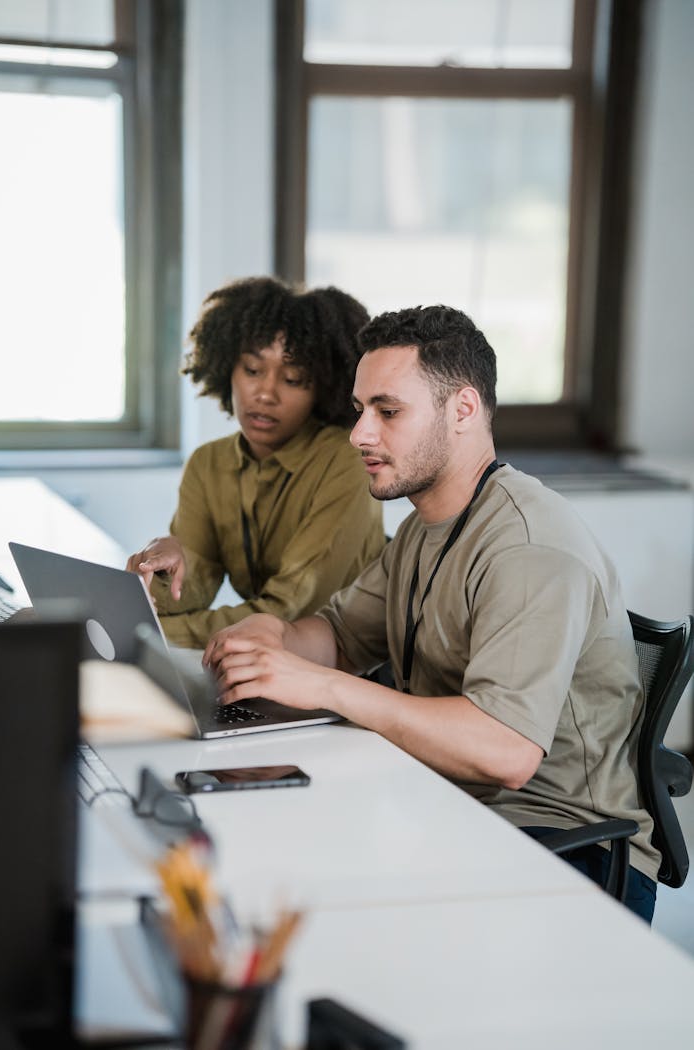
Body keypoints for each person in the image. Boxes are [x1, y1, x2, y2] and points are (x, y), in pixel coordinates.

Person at [202, 303, 660, 923]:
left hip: (563, 849)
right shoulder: (426, 526)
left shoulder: (529, 547)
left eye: (388, 412)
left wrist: (325, 688)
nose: (360, 433)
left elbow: (505, 752)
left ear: (463, 410)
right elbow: (338, 634)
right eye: (361, 411)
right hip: (450, 808)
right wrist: (274, 637)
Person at [127, 276, 386, 648]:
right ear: (226, 368)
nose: (265, 393)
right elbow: (191, 587)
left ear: (323, 388)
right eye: (252, 370)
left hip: (348, 670)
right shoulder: (208, 463)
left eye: (294, 378)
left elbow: (289, 610)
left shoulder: (346, 463)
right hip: (266, 662)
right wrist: (164, 570)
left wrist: (147, 634)